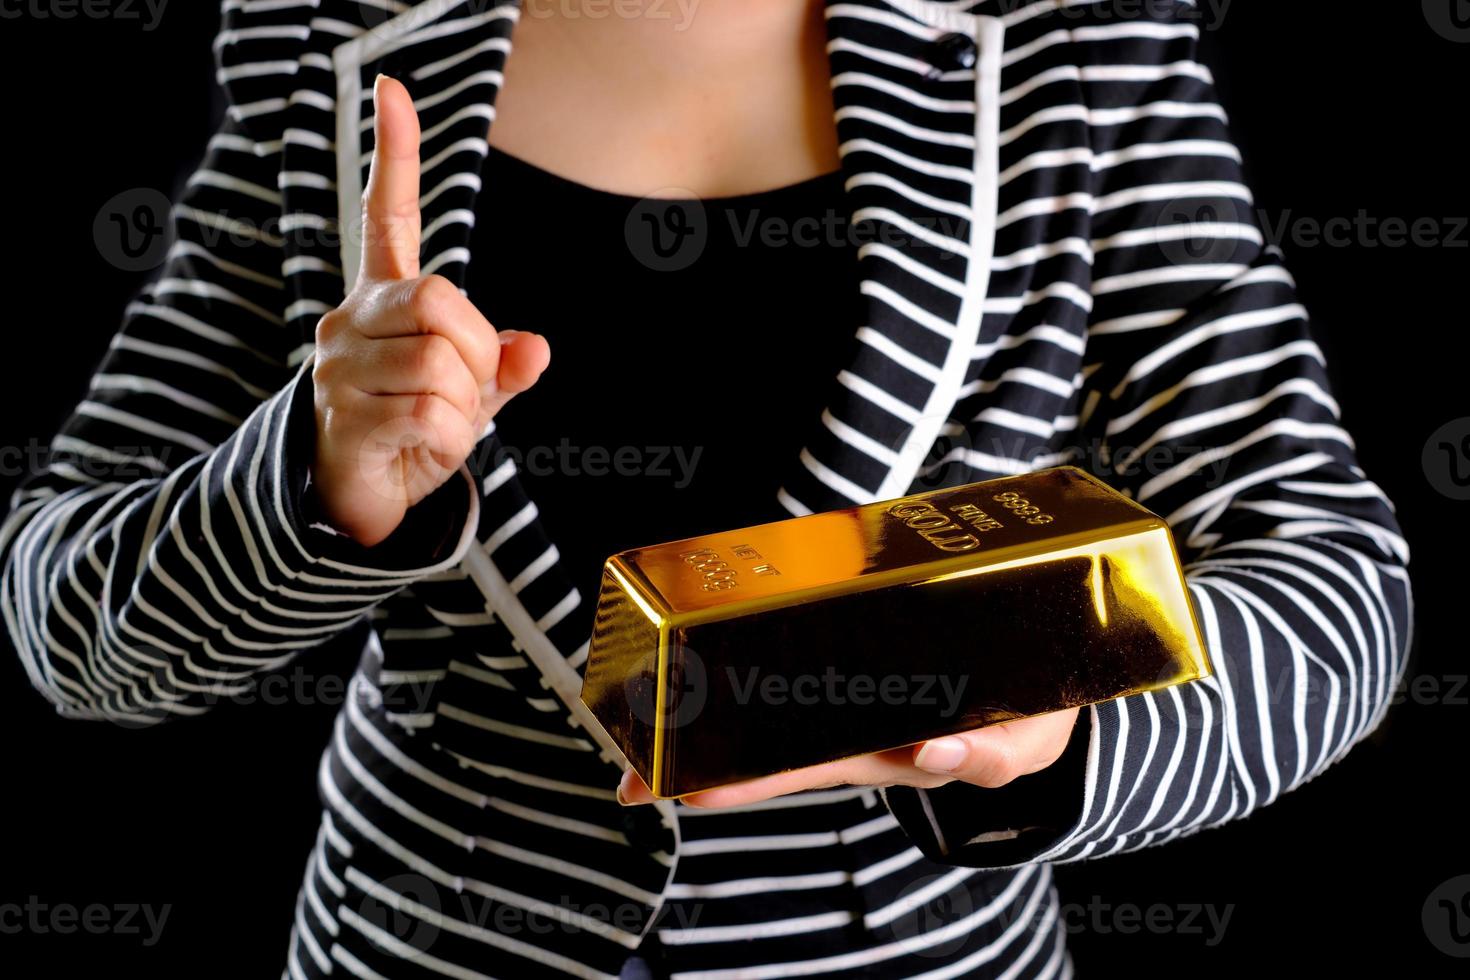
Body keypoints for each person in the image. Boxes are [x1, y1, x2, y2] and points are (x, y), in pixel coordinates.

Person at [0, 1, 1411, 977]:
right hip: (425, 937)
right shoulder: (331, 33)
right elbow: (75, 626)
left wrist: (1050, 736)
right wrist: (312, 484)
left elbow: (1331, 577)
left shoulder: (1071, 41)